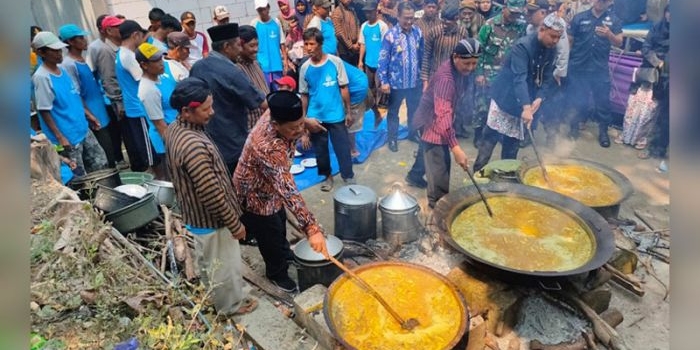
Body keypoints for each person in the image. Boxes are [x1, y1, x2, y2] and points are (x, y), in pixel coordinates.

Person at [165, 77, 258, 317]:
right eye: (206, 109)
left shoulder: (176, 128)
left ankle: (213, 298)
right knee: (224, 265)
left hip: (195, 216)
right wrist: (234, 224)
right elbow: (212, 193)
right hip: (211, 219)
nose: (212, 112)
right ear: (186, 111)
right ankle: (231, 307)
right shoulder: (193, 146)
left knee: (209, 263)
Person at [234, 91, 330, 293]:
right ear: (276, 125)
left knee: (279, 221)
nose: (299, 130)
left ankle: (285, 254)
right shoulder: (267, 147)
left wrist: (306, 122)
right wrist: (311, 228)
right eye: (293, 128)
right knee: (269, 232)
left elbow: (295, 118)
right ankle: (277, 274)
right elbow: (289, 190)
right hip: (255, 191)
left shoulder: (281, 110)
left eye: (300, 124)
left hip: (272, 186)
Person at [472, 13, 566, 173]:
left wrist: (539, 98)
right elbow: (519, 78)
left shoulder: (551, 48)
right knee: (490, 139)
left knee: (512, 143)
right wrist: (526, 107)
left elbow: (548, 76)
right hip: (506, 97)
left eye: (559, 37)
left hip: (526, 101)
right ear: (542, 29)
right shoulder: (523, 47)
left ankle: (507, 177)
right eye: (553, 36)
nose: (556, 41)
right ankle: (478, 174)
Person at [410, 39, 482, 207]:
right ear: (456, 56)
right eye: (467, 63)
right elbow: (442, 115)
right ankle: (437, 208)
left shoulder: (458, 69)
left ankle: (414, 174)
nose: (471, 68)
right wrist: (455, 147)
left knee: (428, 155)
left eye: (474, 63)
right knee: (440, 168)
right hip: (431, 123)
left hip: (438, 117)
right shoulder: (446, 79)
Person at [190, 23, 268, 175]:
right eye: (238, 45)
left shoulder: (197, 67)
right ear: (226, 46)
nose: (240, 49)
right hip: (233, 145)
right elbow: (262, 103)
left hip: (206, 142)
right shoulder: (232, 72)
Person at [32, 31, 108, 176]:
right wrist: (60, 137)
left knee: (100, 165)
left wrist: (89, 115)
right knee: (79, 174)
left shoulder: (62, 70)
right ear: (41, 52)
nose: (59, 54)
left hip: (82, 128)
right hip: (67, 136)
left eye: (59, 50)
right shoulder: (42, 77)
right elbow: (44, 110)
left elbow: (74, 95)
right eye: (54, 51)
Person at [299, 27, 355, 191]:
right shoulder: (304, 68)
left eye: (311, 44)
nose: (308, 48)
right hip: (316, 117)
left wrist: (348, 111)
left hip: (336, 114)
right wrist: (304, 122)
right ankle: (327, 177)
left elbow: (344, 88)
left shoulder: (335, 62)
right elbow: (304, 95)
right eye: (306, 44)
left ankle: (348, 175)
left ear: (321, 44)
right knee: (321, 151)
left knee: (342, 148)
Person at [565, 0, 623, 147]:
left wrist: (609, 34)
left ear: (609, 3)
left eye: (604, 1)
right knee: (576, 100)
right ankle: (573, 128)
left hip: (599, 69)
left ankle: (603, 132)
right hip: (579, 67)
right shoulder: (579, 18)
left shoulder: (614, 20)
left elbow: (619, 42)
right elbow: (569, 41)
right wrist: (565, 63)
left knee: (603, 103)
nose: (600, 3)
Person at [58, 24, 116, 168]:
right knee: (104, 157)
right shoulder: (69, 65)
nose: (85, 40)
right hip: (93, 116)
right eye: (80, 38)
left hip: (101, 111)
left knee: (111, 152)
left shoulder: (82, 60)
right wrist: (89, 115)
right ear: (70, 42)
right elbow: (75, 94)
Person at [472, 0, 527, 147]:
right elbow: (479, 50)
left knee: (501, 107)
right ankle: (478, 136)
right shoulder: (489, 25)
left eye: (517, 13)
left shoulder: (521, 27)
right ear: (504, 9)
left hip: (506, 77)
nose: (514, 16)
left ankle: (498, 136)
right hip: (487, 74)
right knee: (482, 107)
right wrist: (479, 73)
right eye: (512, 12)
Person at [377, 1, 424, 152]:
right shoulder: (390, 35)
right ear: (398, 16)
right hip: (396, 83)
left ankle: (412, 133)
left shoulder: (418, 32)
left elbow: (422, 56)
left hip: (413, 81)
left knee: (413, 109)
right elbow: (383, 59)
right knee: (393, 112)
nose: (409, 21)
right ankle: (392, 139)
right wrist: (384, 81)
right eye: (406, 18)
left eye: (412, 18)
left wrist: (423, 78)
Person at [115, 20, 159, 173]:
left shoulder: (122, 53)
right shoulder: (128, 57)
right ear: (135, 35)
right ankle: (159, 183)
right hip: (138, 108)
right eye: (141, 36)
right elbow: (143, 78)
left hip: (134, 106)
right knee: (150, 152)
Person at [88, 15, 129, 170]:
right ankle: (117, 159)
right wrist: (117, 101)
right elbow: (107, 77)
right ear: (107, 30)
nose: (121, 29)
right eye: (117, 27)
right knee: (115, 130)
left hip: (115, 96)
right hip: (109, 98)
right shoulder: (101, 49)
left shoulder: (115, 47)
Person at [136, 42, 178, 179]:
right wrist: (176, 148)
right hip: (168, 143)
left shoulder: (161, 77)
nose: (161, 63)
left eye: (161, 58)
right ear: (144, 65)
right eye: (155, 60)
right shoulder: (148, 90)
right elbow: (160, 125)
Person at [638, 4, 669, 160]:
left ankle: (660, 148)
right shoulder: (657, 28)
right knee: (657, 114)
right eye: (669, 12)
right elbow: (646, 47)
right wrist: (657, 61)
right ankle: (655, 148)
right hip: (657, 78)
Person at [421, 3, 469, 91]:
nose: (444, 24)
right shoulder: (434, 32)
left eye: (447, 22)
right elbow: (426, 57)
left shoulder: (463, 33)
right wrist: (425, 82)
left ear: (456, 19)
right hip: (435, 76)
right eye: (443, 21)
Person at [237, 25, 271, 130]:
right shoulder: (236, 69)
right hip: (251, 128)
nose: (256, 49)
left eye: (257, 45)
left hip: (266, 123)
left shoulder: (256, 64)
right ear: (240, 45)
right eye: (251, 46)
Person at [252, 0, 291, 85]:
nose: (262, 11)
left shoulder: (276, 22)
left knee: (279, 91)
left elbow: (282, 43)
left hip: (276, 64)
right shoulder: (254, 24)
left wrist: (285, 61)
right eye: (260, 9)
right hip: (262, 66)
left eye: (264, 8)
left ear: (268, 7)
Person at [331, 0, 361, 65]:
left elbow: (357, 25)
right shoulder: (337, 12)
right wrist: (351, 46)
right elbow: (339, 33)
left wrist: (358, 42)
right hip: (344, 49)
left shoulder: (352, 10)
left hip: (355, 46)